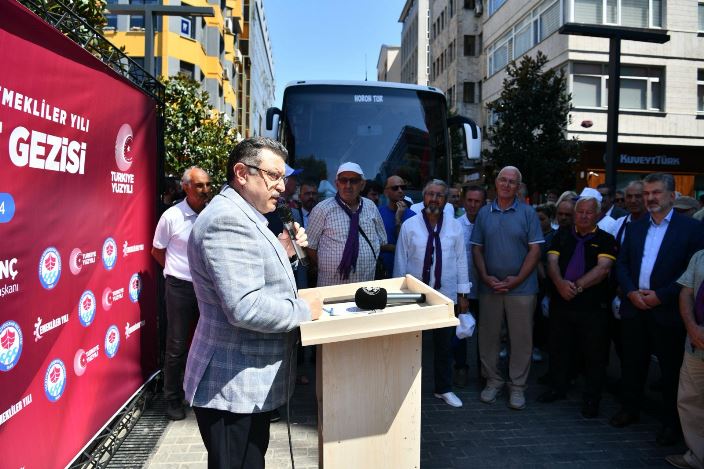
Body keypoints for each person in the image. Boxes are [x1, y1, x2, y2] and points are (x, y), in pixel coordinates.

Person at [184, 137, 322, 468]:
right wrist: (305, 310)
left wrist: (285, 251)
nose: (282, 186)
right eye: (273, 176)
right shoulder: (227, 220)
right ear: (242, 173)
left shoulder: (245, 214)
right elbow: (245, 307)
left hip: (244, 386)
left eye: (283, 177)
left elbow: (254, 274)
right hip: (231, 386)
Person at [611, 173, 704, 446]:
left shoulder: (691, 229)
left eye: (656, 193)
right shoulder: (636, 226)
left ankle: (671, 424)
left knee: (670, 371)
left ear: (672, 196)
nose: (649, 198)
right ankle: (630, 409)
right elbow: (622, 263)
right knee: (632, 364)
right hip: (634, 307)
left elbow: (691, 273)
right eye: (647, 193)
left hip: (668, 312)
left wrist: (661, 296)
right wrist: (631, 292)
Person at [471, 166, 544, 410]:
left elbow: (535, 250)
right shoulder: (484, 213)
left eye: (512, 182)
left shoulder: (528, 213)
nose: (507, 184)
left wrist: (517, 279)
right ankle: (493, 381)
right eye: (503, 179)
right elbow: (477, 248)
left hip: (522, 289)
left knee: (521, 340)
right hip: (490, 287)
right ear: (496, 182)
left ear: (518, 187)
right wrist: (485, 276)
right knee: (488, 338)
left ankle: (518, 387)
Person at [539, 195, 616, 418]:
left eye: (588, 212)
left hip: (592, 307)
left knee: (594, 354)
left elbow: (603, 269)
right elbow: (551, 262)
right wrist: (560, 284)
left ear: (597, 215)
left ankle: (592, 398)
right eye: (580, 211)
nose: (583, 216)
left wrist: (576, 287)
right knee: (558, 347)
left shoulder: (606, 239)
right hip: (561, 303)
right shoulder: (562, 235)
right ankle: (557, 387)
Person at [394, 179, 470, 407]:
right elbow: (401, 260)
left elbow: (461, 261)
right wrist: (399, 295)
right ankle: (406, 388)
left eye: (439, 195)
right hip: (414, 294)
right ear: (424, 197)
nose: (434, 199)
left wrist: (463, 294)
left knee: (444, 346)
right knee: (411, 344)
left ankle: (443, 389)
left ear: (445, 200)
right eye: (430, 194)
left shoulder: (454, 227)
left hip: (445, 294)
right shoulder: (410, 225)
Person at [152, 166, 211, 421]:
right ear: (185, 187)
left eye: (208, 185)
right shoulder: (171, 216)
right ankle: (172, 399)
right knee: (176, 345)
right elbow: (157, 251)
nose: (205, 190)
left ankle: (201, 394)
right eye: (199, 185)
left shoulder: (213, 214)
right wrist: (177, 272)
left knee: (207, 341)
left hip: (207, 287)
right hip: (180, 288)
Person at [306, 162, 387, 286]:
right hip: (332, 285)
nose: (348, 185)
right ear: (337, 184)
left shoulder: (371, 206)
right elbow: (310, 246)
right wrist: (326, 266)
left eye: (353, 181)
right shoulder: (322, 209)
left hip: (365, 284)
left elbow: (381, 240)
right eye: (343, 180)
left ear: (362, 184)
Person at [665, 249, 704, 469]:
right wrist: (692, 327)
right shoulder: (700, 256)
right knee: (691, 401)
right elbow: (686, 293)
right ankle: (697, 457)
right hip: (695, 344)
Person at [455, 185, 486, 385]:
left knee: (486, 332)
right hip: (462, 288)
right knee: (461, 331)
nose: (473, 205)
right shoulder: (456, 226)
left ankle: (484, 370)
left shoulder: (489, 225)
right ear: (463, 201)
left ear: (484, 203)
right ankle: (460, 367)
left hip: (485, 288)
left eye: (477, 201)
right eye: (470, 200)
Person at [378, 175, 416, 278]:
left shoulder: (413, 216)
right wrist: (396, 248)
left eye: (403, 187)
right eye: (395, 188)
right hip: (382, 271)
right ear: (386, 192)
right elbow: (373, 244)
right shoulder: (377, 213)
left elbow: (411, 247)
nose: (400, 191)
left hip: (406, 272)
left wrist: (398, 219)